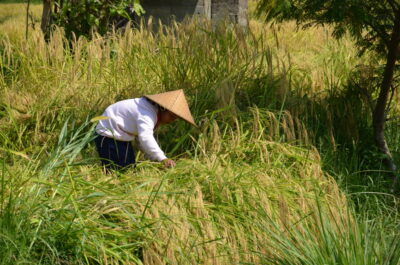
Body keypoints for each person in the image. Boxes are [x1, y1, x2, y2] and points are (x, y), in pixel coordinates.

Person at [94, 89, 196, 170]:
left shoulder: (151, 111)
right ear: (164, 108)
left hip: (121, 137)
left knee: (130, 167)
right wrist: (163, 158)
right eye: (172, 117)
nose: (172, 121)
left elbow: (140, 139)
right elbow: (145, 137)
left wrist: (154, 159)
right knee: (118, 170)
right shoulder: (146, 113)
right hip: (108, 136)